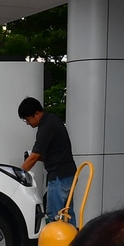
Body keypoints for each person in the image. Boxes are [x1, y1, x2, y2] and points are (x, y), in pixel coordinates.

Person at [18, 96, 77, 224]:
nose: (27, 123)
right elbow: (52, 153)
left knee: (55, 215)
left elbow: (33, 157)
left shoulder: (46, 127)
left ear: (37, 113)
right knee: (67, 213)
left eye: (27, 119)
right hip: (68, 174)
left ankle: (57, 243)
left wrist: (18, 174)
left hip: (59, 176)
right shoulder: (53, 120)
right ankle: (73, 242)